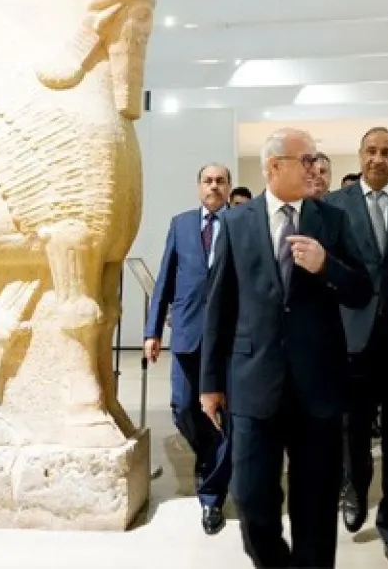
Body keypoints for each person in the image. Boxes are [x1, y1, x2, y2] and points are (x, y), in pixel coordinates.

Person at [200, 128, 372, 569]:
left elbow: (361, 289)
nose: (316, 167)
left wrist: (326, 265)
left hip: (318, 386)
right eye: (307, 160)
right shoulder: (236, 222)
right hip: (254, 383)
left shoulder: (332, 220)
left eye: (316, 159)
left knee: (316, 503)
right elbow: (219, 306)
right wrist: (210, 383)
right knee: (251, 498)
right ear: (275, 166)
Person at [326, 127, 388, 569]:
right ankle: (356, 486)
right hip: (352, 336)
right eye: (371, 150)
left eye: (387, 152)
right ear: (359, 154)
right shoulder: (333, 205)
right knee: (353, 428)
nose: (378, 158)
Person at [144, 164, 235, 534]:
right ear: (198, 186)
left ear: (228, 187)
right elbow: (165, 279)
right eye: (207, 181)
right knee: (183, 408)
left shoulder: (240, 223)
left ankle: (212, 496)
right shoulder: (181, 224)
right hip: (187, 333)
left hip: (228, 339)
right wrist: (152, 330)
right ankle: (209, 456)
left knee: (225, 415)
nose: (214, 186)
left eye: (220, 181)